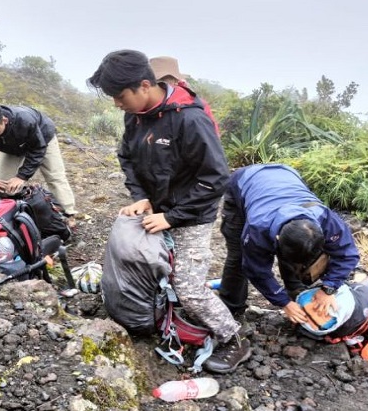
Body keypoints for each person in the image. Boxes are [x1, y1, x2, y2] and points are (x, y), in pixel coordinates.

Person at [87, 49, 250, 374]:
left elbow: (216, 178)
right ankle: (165, 314)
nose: (117, 104)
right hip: (157, 207)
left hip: (192, 213)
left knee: (189, 288)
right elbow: (127, 157)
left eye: (120, 96)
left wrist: (172, 217)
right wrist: (142, 197)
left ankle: (233, 337)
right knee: (153, 265)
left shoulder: (189, 119)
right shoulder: (135, 115)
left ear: (145, 85)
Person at [217, 163, 360, 326]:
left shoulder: (325, 219)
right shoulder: (257, 228)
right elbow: (255, 269)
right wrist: (282, 302)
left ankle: (296, 291)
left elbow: (347, 254)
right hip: (244, 182)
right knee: (238, 257)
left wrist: (328, 288)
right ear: (277, 238)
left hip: (286, 175)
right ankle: (231, 309)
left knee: (297, 249)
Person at [0, 103, 78, 227]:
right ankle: (1, 213)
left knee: (55, 177)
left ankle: (68, 213)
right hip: (10, 147)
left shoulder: (25, 120)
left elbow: (38, 149)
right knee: (3, 183)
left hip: (42, 138)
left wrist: (21, 177)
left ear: (4, 120)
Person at [149, 56, 220, 137]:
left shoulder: (196, 105)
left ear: (175, 81)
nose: (160, 87)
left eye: (163, 82)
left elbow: (212, 136)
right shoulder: (143, 105)